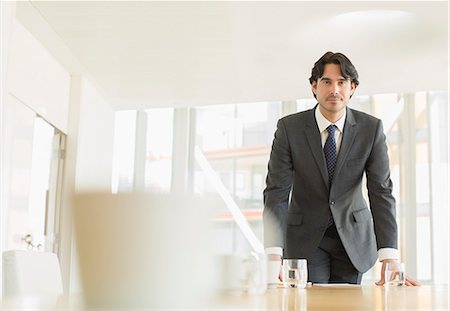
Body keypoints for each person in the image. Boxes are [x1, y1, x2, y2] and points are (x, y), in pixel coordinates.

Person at [263, 51, 419, 285]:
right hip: (305, 239)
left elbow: (381, 191)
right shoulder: (289, 129)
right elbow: (276, 191)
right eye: (326, 82)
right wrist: (273, 254)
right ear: (314, 87)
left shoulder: (371, 129)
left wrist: (389, 256)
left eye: (341, 82)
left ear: (352, 87)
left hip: (354, 239)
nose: (334, 90)